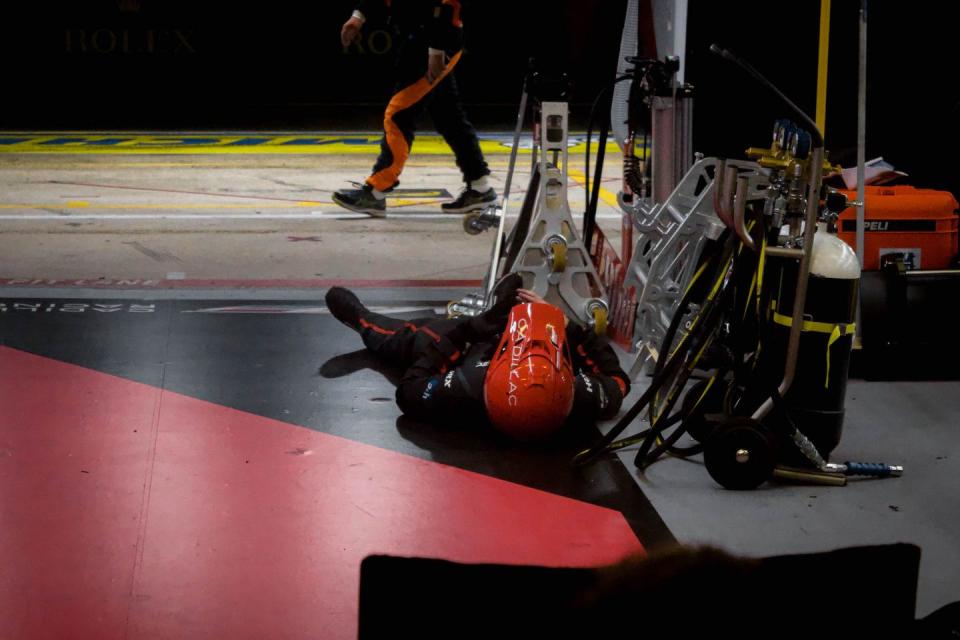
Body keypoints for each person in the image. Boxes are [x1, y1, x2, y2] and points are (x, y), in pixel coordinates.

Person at [324, 275, 630, 439]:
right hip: (521, 342)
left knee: (403, 339)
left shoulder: (464, 387)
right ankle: (502, 308)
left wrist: (468, 331)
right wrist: (569, 329)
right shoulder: (578, 395)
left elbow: (409, 388)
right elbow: (618, 378)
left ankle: (362, 317)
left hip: (471, 349)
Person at [334, 0, 497, 218]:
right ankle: (480, 188)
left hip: (435, 40)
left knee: (398, 114)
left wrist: (436, 50)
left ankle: (376, 191)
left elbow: (447, 5)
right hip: (420, 38)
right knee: (449, 118)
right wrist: (359, 15)